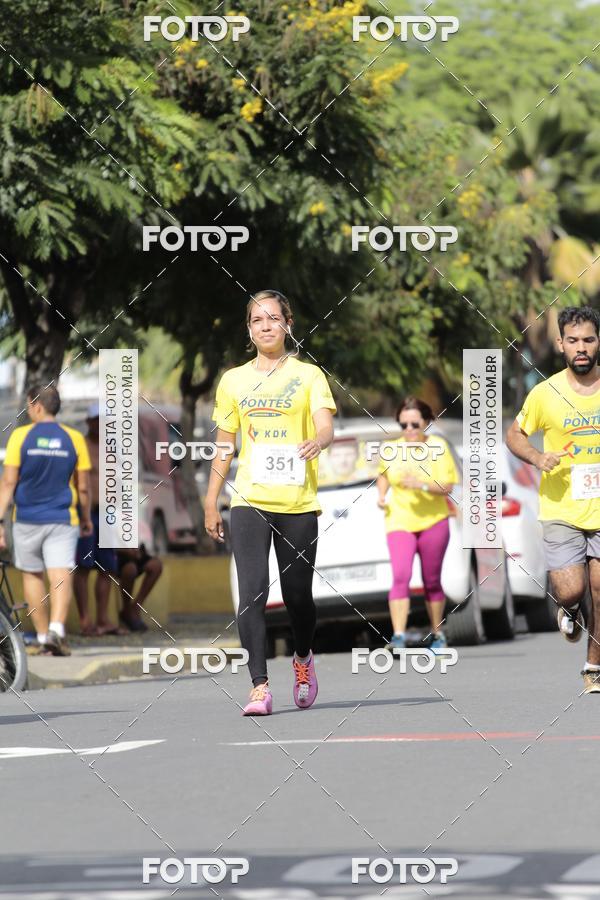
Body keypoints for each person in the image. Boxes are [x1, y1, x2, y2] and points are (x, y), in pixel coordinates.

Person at [205, 289, 336, 716]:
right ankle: (259, 686)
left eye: (273, 318)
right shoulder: (233, 381)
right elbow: (224, 446)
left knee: (298, 595)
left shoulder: (309, 375)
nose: (266, 326)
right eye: (257, 320)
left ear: (288, 324)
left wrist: (318, 440)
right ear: (249, 329)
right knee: (251, 593)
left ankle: (302, 660)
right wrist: (211, 501)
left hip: (297, 501)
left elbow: (325, 426)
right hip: (249, 499)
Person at [507, 305, 600, 694]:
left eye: (589, 340)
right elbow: (515, 435)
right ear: (561, 344)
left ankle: (594, 664)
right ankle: (569, 607)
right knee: (571, 589)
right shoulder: (545, 393)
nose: (581, 348)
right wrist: (538, 457)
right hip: (561, 508)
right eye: (574, 340)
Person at [0, 385, 93, 656]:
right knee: (61, 571)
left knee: (32, 574)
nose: (29, 410)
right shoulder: (74, 438)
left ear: (37, 406)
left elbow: (8, 482)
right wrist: (86, 516)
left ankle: (42, 637)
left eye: (29, 405)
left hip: (26, 517)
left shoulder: (20, 437)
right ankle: (57, 630)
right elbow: (84, 485)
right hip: (63, 517)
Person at [376, 397, 458, 651]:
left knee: (431, 580)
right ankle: (398, 635)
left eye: (414, 424)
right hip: (399, 520)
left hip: (434, 521)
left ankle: (437, 633)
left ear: (426, 422)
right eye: (404, 425)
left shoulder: (439, 447)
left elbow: (448, 486)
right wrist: (381, 495)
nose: (409, 429)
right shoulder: (391, 449)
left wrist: (421, 484)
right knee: (401, 576)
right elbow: (382, 475)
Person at [73, 403, 126, 636]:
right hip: (86, 513)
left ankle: (103, 619)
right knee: (83, 567)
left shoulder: (112, 450)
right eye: (96, 421)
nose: (101, 426)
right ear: (89, 422)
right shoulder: (80, 446)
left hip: (108, 514)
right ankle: (86, 621)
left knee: (108, 568)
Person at [116, 546, 163, 632]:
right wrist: (125, 551)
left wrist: (138, 551)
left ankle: (136, 607)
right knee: (130, 569)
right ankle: (127, 610)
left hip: (133, 554)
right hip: (117, 556)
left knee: (156, 565)